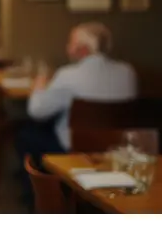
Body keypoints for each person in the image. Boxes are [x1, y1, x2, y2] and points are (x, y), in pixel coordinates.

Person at [15, 22, 137, 203]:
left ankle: (39, 197)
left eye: (70, 43)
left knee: (25, 134)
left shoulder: (68, 75)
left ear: (83, 49)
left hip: (73, 148)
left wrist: (39, 87)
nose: (67, 47)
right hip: (117, 148)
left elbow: (36, 111)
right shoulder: (128, 72)